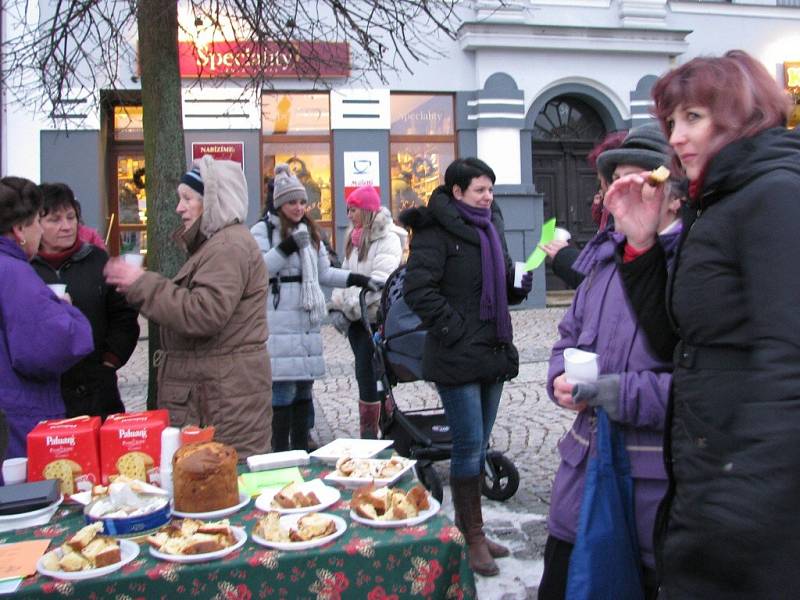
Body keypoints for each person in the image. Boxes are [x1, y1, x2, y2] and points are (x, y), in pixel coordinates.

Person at [603, 50, 800, 598]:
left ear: (743, 116)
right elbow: (679, 344)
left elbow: (790, 362)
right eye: (672, 122)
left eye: (694, 117)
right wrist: (642, 246)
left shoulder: (776, 195)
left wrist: (737, 507)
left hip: (756, 514)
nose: (677, 136)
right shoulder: (713, 204)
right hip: (707, 482)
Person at [538, 124, 682, 600]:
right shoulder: (601, 261)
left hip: (648, 490)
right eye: (615, 179)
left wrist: (613, 392)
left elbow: (698, 388)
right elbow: (568, 336)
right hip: (580, 476)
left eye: (640, 180)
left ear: (674, 197)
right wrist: (560, 376)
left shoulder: (691, 267)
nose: (623, 192)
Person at [400, 157, 533, 577]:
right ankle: (472, 537)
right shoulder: (432, 230)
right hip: (456, 354)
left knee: (480, 442)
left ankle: (471, 526)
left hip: (492, 351)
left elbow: (502, 281)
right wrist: (454, 328)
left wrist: (518, 282)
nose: (488, 197)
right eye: (480, 190)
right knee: (468, 443)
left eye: (490, 189)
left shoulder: (491, 225)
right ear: (457, 193)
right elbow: (418, 290)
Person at [104, 156, 272, 458]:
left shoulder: (227, 246)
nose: (179, 208)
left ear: (214, 201)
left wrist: (141, 283)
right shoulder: (217, 245)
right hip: (216, 398)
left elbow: (203, 314)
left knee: (220, 486)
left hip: (220, 405)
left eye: (188, 199)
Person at [251, 164, 379, 452]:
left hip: (306, 322)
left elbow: (324, 272)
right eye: (291, 202)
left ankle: (300, 451)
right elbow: (258, 270)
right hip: (278, 321)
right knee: (282, 391)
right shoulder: (263, 230)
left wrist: (357, 279)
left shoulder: (309, 229)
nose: (298, 207)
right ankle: (280, 453)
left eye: (302, 201)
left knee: (304, 392)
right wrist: (287, 247)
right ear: (279, 203)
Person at [0, 176, 93, 462]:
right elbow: (54, 344)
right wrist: (64, 309)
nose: (41, 230)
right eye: (37, 222)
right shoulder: (15, 272)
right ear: (19, 230)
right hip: (17, 419)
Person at [32, 183, 140, 419]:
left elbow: (124, 315)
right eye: (55, 219)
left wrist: (110, 360)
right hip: (46, 390)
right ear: (36, 223)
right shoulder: (27, 268)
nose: (67, 226)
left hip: (96, 391)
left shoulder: (97, 259)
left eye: (71, 217)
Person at [328, 186, 404, 439]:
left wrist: (349, 305)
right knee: (365, 373)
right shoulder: (354, 237)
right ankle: (373, 429)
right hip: (357, 319)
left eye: (352, 209)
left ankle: (382, 429)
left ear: (366, 211)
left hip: (375, 317)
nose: (348, 214)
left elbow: (381, 280)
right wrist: (338, 304)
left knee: (375, 371)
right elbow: (347, 276)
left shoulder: (388, 238)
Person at [540, 130, 628, 289]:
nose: (600, 186)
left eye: (600, 179)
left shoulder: (629, 222)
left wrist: (563, 255)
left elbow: (602, 281)